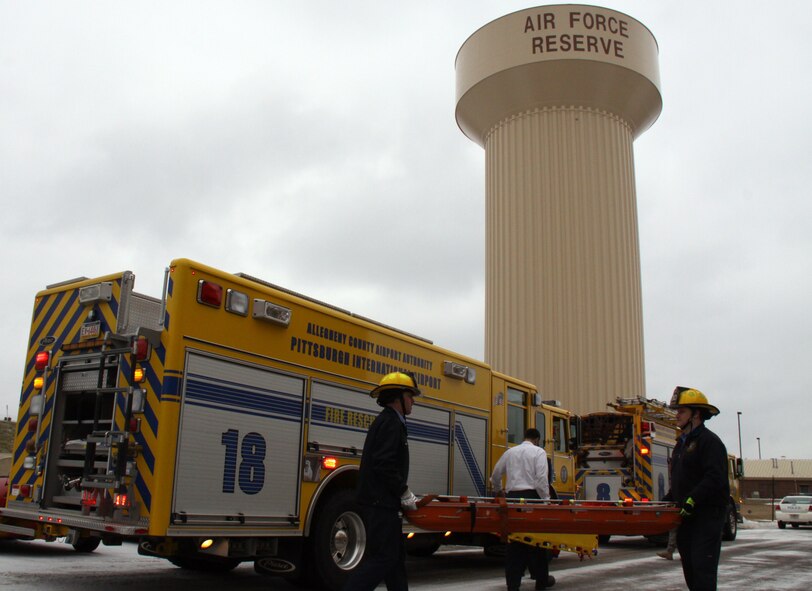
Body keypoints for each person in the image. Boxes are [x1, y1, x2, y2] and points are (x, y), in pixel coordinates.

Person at [342, 372, 421, 591]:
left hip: (383, 503)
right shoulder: (390, 423)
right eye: (410, 395)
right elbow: (383, 463)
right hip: (380, 504)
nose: (413, 400)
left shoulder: (391, 422)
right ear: (398, 397)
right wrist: (403, 491)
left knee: (395, 560)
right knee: (383, 558)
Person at [666, 386, 729, 590]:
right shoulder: (681, 444)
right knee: (691, 569)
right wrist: (668, 500)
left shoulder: (709, 442)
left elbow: (715, 477)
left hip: (707, 516)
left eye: (682, 411)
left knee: (703, 569)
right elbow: (680, 479)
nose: (677, 415)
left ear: (696, 414)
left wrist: (693, 499)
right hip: (687, 516)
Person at [490, 428, 555, 591]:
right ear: (537, 439)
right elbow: (541, 479)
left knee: (515, 543)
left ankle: (513, 584)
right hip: (532, 498)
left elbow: (496, 474)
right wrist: (546, 501)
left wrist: (499, 491)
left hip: (512, 499)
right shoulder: (539, 452)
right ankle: (540, 582)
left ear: (524, 437)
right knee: (537, 542)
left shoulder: (510, 452)